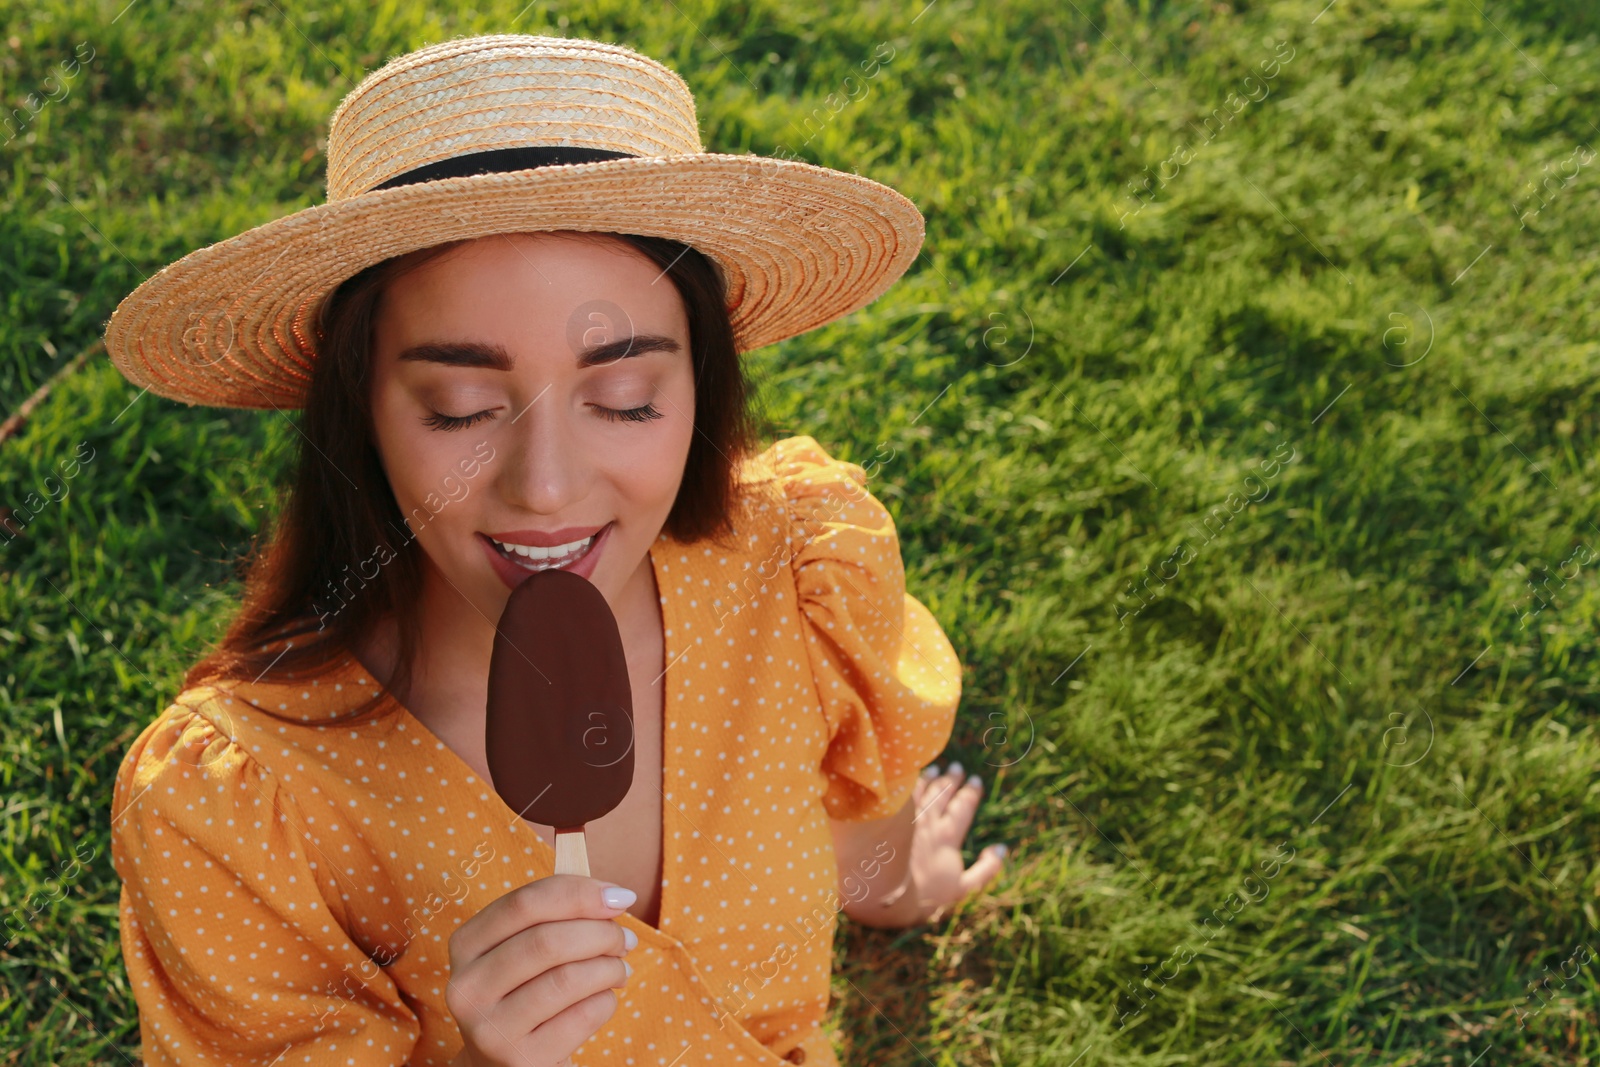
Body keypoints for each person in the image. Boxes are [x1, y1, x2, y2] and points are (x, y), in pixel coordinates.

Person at [102, 33, 1007, 1067]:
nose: (545, 487)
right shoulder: (233, 812)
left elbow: (845, 807)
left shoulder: (793, 568)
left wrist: (894, 888)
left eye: (623, 398)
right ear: (358, 414)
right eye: (460, 406)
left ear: (699, 391)